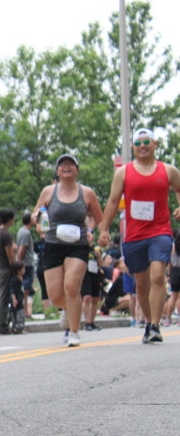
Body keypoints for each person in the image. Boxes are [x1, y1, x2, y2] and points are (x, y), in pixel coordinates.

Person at [98, 128, 180, 344]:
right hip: (134, 235)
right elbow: (113, 201)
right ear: (133, 147)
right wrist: (104, 229)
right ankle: (148, 323)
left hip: (160, 231)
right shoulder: (123, 173)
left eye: (146, 142)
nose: (142, 146)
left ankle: (155, 325)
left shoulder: (168, 171)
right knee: (142, 284)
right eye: (138, 143)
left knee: (157, 276)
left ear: (155, 144)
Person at [32, 154, 104, 347]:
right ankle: (67, 309)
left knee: (72, 287)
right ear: (57, 171)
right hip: (53, 245)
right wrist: (37, 217)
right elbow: (36, 214)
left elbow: (98, 217)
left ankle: (74, 333)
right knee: (55, 296)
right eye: (62, 165)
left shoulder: (87, 193)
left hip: (77, 245)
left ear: (77, 170)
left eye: (71, 164)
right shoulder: (48, 192)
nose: (66, 167)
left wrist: (92, 231)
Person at [0, 209, 17, 335]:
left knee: (4, 295)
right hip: (5, 268)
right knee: (4, 296)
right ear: (10, 219)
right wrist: (14, 266)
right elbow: (9, 253)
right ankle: (2, 324)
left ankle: (6, 320)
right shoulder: (6, 234)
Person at [16, 212, 37, 318]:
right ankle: (24, 310)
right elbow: (22, 248)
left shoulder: (21, 231)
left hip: (25, 263)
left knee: (26, 287)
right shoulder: (26, 233)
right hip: (27, 263)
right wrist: (19, 263)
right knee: (26, 287)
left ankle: (25, 310)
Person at [10, 260, 26, 333]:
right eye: (23, 269)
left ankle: (19, 327)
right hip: (17, 299)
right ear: (18, 271)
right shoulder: (15, 280)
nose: (24, 270)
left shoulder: (20, 279)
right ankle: (17, 327)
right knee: (18, 313)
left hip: (20, 298)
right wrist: (14, 299)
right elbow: (13, 291)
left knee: (19, 313)